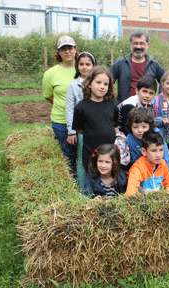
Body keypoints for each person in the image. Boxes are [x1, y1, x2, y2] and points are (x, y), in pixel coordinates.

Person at [42, 35, 79, 175]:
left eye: (70, 48)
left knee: (83, 153)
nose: (67, 51)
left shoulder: (83, 68)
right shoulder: (50, 74)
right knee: (68, 153)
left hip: (83, 120)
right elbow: (48, 95)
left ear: (75, 49)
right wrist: (64, 105)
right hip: (61, 120)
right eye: (63, 49)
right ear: (58, 52)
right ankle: (72, 182)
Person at [72, 66, 119, 170]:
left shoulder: (113, 106)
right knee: (92, 179)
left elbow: (114, 125)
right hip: (91, 154)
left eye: (105, 84)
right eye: (98, 82)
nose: (102, 86)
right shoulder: (81, 107)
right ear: (89, 84)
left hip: (109, 154)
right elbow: (79, 130)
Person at [65, 51, 97, 188]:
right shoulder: (73, 85)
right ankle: (83, 187)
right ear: (77, 66)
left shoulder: (98, 83)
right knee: (82, 159)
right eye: (81, 64)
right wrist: (71, 131)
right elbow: (69, 108)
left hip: (96, 128)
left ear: (93, 66)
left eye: (88, 64)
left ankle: (97, 185)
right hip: (82, 129)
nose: (84, 67)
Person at [110, 30, 165, 104]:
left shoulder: (154, 65)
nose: (138, 47)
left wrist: (157, 100)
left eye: (142, 43)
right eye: (135, 43)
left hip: (146, 109)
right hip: (125, 108)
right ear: (131, 45)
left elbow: (165, 81)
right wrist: (112, 100)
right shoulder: (120, 63)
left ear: (147, 45)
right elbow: (108, 81)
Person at [125, 130, 169, 195]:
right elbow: (131, 192)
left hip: (157, 200)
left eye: (161, 150)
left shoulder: (162, 164)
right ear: (144, 151)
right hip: (141, 201)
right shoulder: (138, 168)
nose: (158, 155)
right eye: (153, 151)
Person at [125, 107, 169, 174]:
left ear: (150, 126)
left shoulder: (156, 136)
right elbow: (134, 161)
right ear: (130, 127)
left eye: (144, 127)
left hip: (159, 169)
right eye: (135, 127)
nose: (140, 130)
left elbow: (166, 158)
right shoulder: (130, 139)